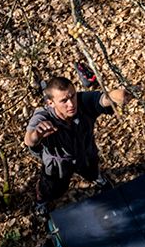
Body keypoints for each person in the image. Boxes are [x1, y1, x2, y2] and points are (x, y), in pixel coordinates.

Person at [23, 76, 133, 215]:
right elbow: (29, 140)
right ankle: (42, 200)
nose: (71, 104)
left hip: (86, 154)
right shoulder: (43, 116)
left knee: (92, 172)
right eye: (64, 101)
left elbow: (103, 98)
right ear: (51, 102)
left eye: (72, 96)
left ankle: (98, 179)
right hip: (58, 166)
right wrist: (37, 134)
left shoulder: (82, 101)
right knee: (52, 189)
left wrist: (119, 95)